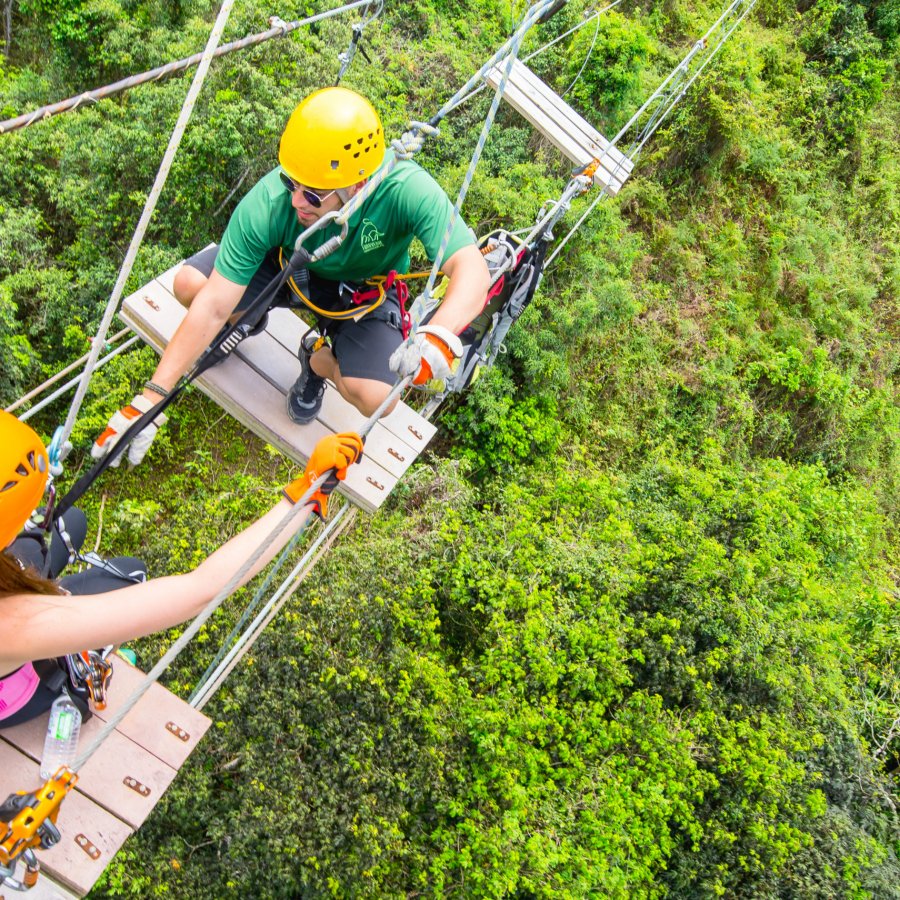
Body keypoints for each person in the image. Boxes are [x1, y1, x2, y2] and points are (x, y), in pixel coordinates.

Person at [92, 86, 490, 467]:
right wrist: (150, 398)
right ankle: (246, 321)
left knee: (379, 400)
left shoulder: (404, 188)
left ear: (358, 185)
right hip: (289, 270)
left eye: (314, 195)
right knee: (190, 287)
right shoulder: (270, 202)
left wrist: (438, 332)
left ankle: (317, 363)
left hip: (360, 295)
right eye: (292, 182)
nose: (297, 201)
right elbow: (213, 303)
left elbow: (471, 267)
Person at [0, 410, 363, 726]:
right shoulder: (15, 624)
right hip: (16, 681)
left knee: (71, 523)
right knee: (129, 573)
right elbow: (199, 589)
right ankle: (52, 681)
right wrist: (301, 499)